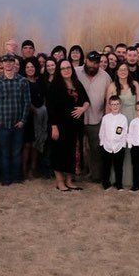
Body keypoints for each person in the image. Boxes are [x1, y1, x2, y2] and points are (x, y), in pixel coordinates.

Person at [47, 59, 89, 191]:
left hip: (75, 126)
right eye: (63, 68)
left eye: (68, 68)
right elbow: (50, 108)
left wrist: (83, 109)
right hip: (60, 125)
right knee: (59, 152)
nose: (66, 70)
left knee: (73, 153)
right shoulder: (54, 86)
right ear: (59, 71)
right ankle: (60, 182)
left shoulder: (77, 83)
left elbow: (87, 101)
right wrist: (53, 127)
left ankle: (70, 180)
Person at [0, 54, 30, 186]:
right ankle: (5, 178)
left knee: (17, 152)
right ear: (2, 64)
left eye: (10, 61)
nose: (8, 64)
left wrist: (23, 120)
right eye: (5, 62)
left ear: (14, 63)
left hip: (18, 124)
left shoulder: (23, 81)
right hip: (1, 124)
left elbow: (27, 103)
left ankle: (17, 177)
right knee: (4, 152)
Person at [76, 51, 113, 183]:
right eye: (91, 61)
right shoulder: (75, 72)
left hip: (97, 118)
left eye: (96, 62)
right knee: (76, 147)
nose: (93, 65)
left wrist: (106, 117)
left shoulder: (106, 77)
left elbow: (109, 98)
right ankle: (75, 174)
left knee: (96, 148)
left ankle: (96, 175)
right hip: (77, 118)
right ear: (86, 60)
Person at [106, 62, 139, 188]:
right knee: (118, 147)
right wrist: (108, 123)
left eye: (125, 69)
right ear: (116, 71)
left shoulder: (135, 84)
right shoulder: (111, 86)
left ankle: (131, 179)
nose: (123, 71)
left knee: (131, 148)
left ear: (128, 71)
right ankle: (116, 178)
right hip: (117, 120)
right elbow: (108, 106)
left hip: (132, 118)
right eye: (120, 69)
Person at [20, 57, 47, 181]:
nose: (30, 69)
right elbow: (24, 99)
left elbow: (44, 96)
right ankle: (24, 170)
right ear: (24, 69)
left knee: (36, 144)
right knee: (27, 145)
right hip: (28, 116)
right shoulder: (22, 81)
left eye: (32, 67)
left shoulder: (40, 81)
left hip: (40, 116)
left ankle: (33, 169)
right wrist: (34, 110)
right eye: (27, 67)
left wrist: (42, 109)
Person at [99, 96, 128, 190]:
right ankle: (105, 183)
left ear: (120, 105)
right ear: (109, 106)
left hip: (119, 147)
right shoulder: (105, 118)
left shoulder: (123, 118)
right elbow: (102, 131)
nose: (115, 106)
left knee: (118, 167)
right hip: (106, 146)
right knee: (106, 166)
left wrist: (123, 145)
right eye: (113, 104)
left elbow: (124, 133)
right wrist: (102, 143)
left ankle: (119, 184)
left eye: (117, 104)